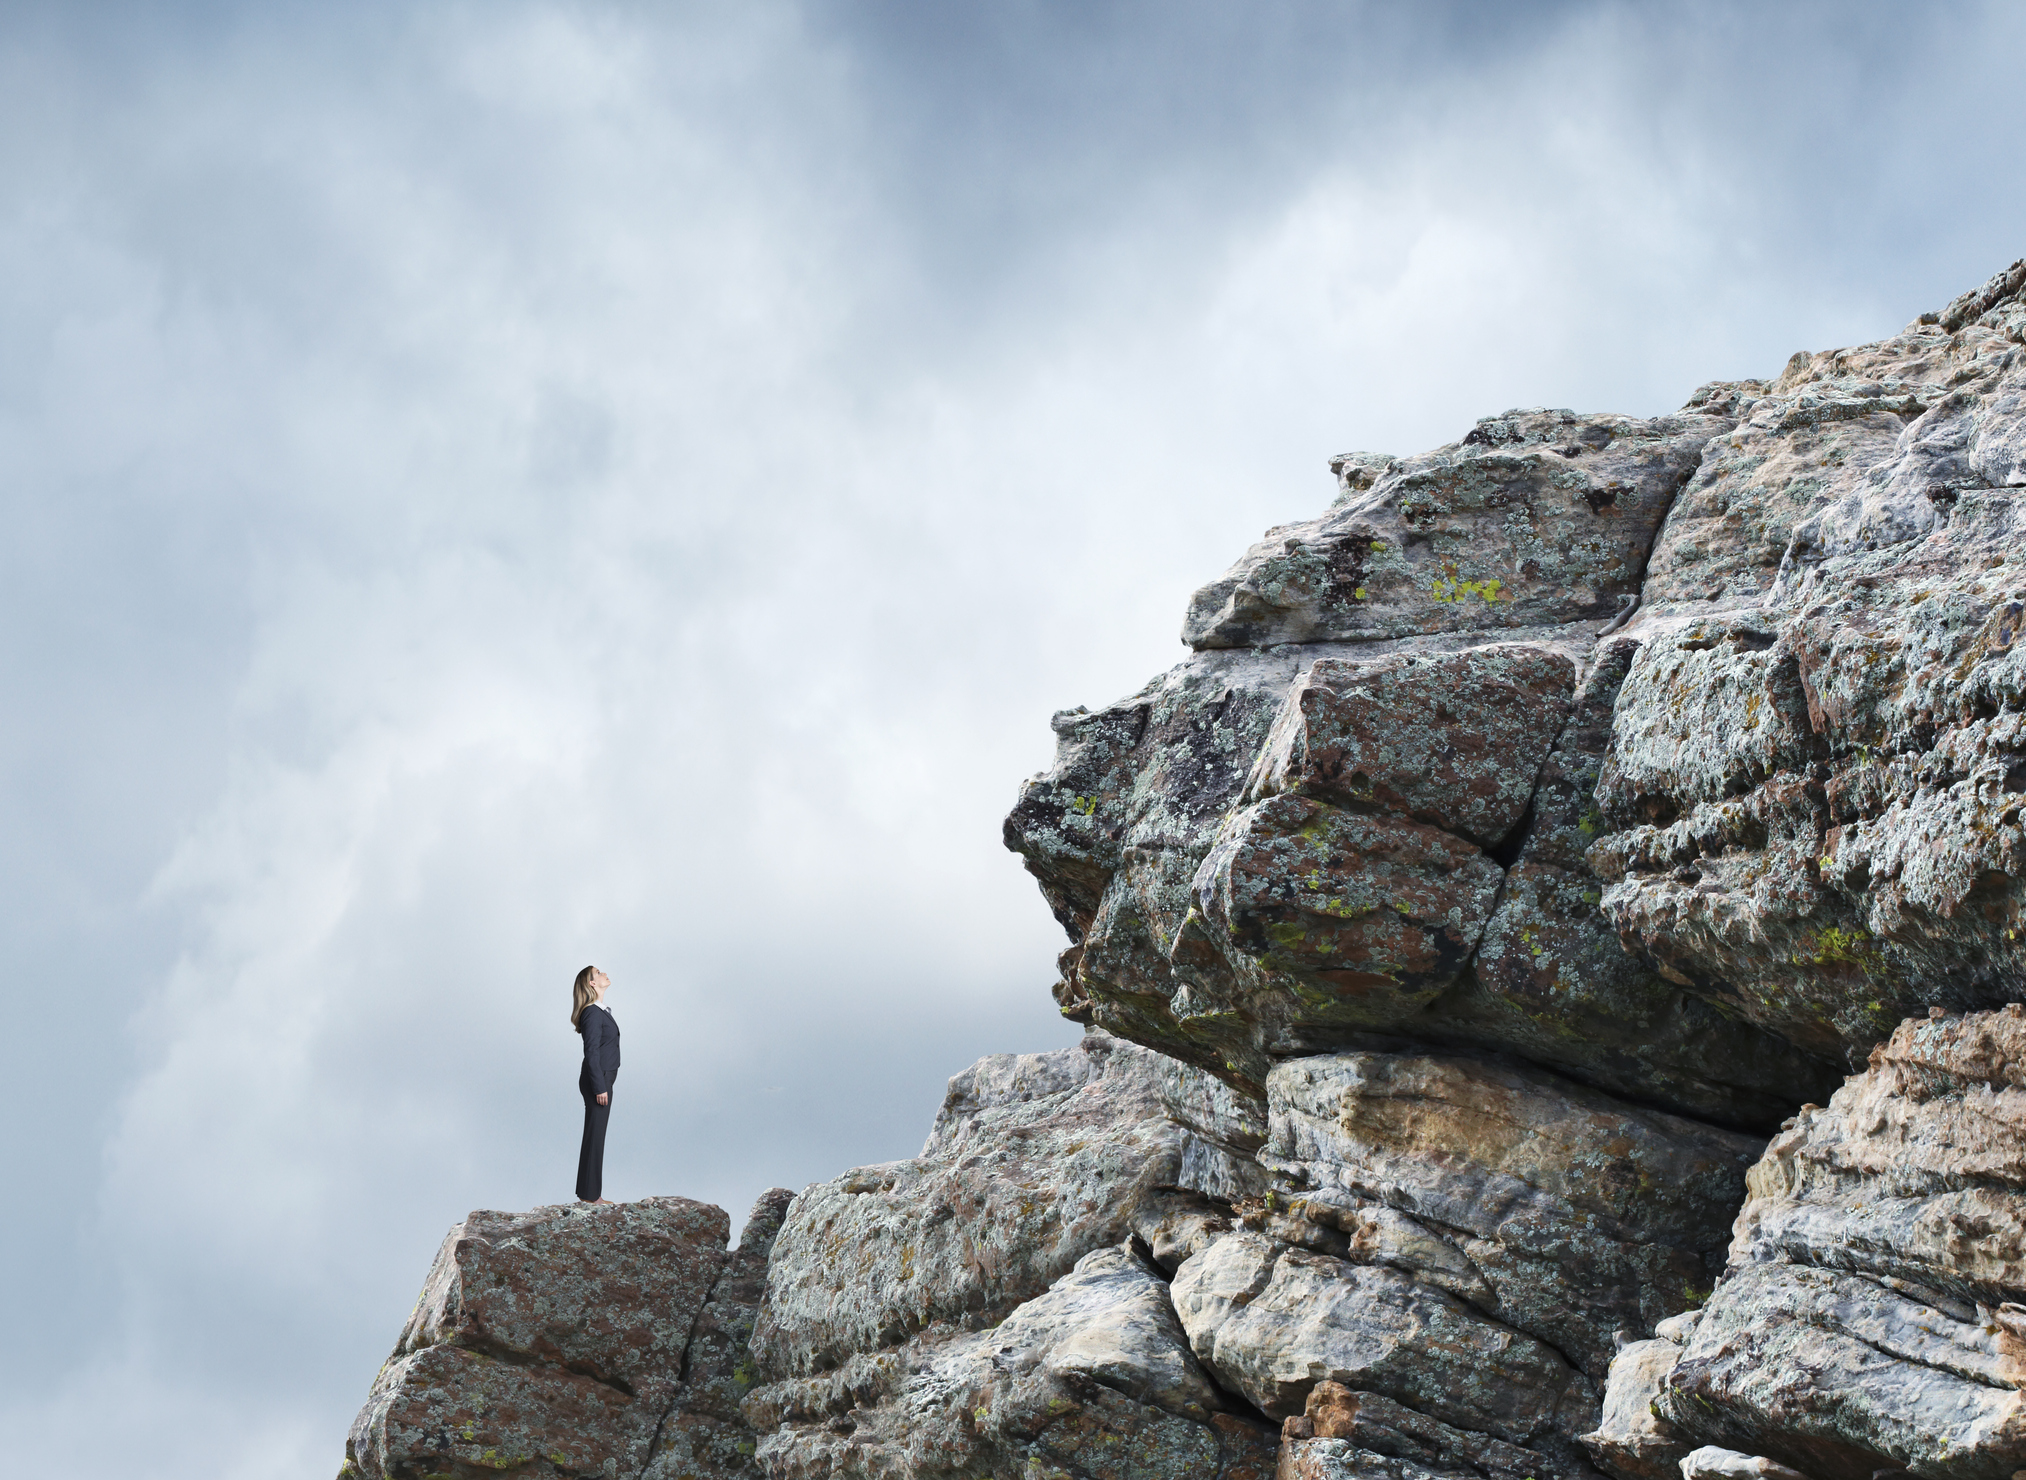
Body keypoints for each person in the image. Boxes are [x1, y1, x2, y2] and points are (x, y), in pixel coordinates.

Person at [570, 965, 620, 1205]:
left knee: (595, 1134)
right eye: (598, 972)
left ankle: (589, 1194)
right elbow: (591, 1051)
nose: (604, 974)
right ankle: (591, 1198)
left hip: (602, 1077)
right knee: (595, 1135)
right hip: (597, 1079)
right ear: (591, 983)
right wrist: (600, 1086)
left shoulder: (601, 1011)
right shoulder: (592, 1012)